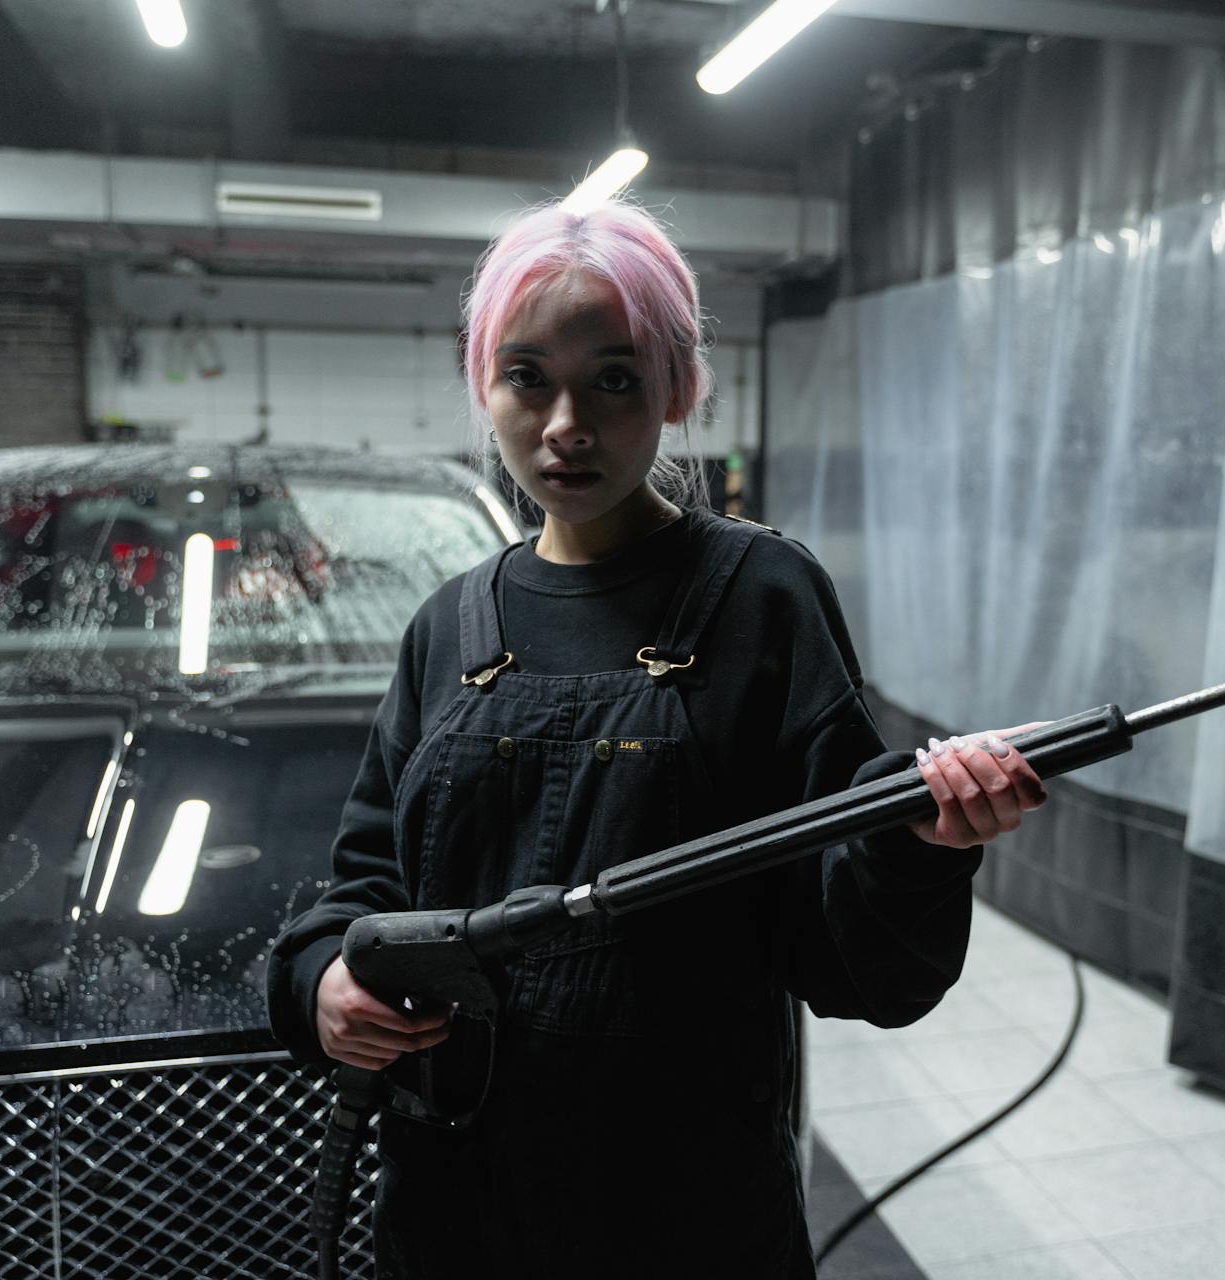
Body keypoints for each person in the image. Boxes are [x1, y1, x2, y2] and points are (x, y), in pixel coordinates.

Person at [266, 197, 1048, 1278]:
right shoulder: (445, 625)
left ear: (679, 387)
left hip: (685, 1217)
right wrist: (318, 981)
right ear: (482, 384)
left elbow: (845, 954)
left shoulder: (760, 598)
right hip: (454, 1215)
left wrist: (920, 843)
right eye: (528, 375)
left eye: (615, 378)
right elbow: (364, 886)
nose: (566, 424)